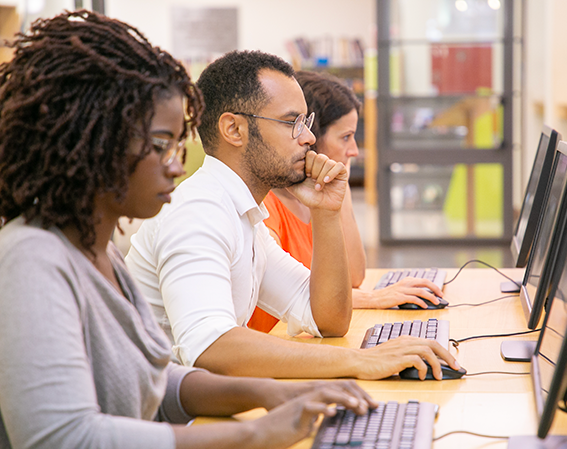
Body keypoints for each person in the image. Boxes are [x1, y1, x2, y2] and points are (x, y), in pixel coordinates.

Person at [0, 11, 376, 449]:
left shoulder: (100, 255)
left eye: (177, 145)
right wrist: (255, 431)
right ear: (96, 141)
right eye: (160, 145)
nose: (176, 165)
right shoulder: (32, 258)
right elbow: (64, 438)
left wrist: (272, 392)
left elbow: (155, 384)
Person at [125, 49, 461, 380]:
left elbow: (328, 318)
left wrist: (326, 214)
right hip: (171, 424)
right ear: (234, 130)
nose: (309, 138)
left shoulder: (245, 217)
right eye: (291, 123)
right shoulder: (199, 212)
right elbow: (210, 348)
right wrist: (358, 360)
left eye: (306, 123)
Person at [248, 70, 445, 333]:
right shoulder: (267, 209)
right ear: (312, 140)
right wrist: (376, 298)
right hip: (279, 346)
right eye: (345, 137)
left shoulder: (311, 203)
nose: (353, 150)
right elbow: (300, 299)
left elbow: (353, 276)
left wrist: (342, 190)